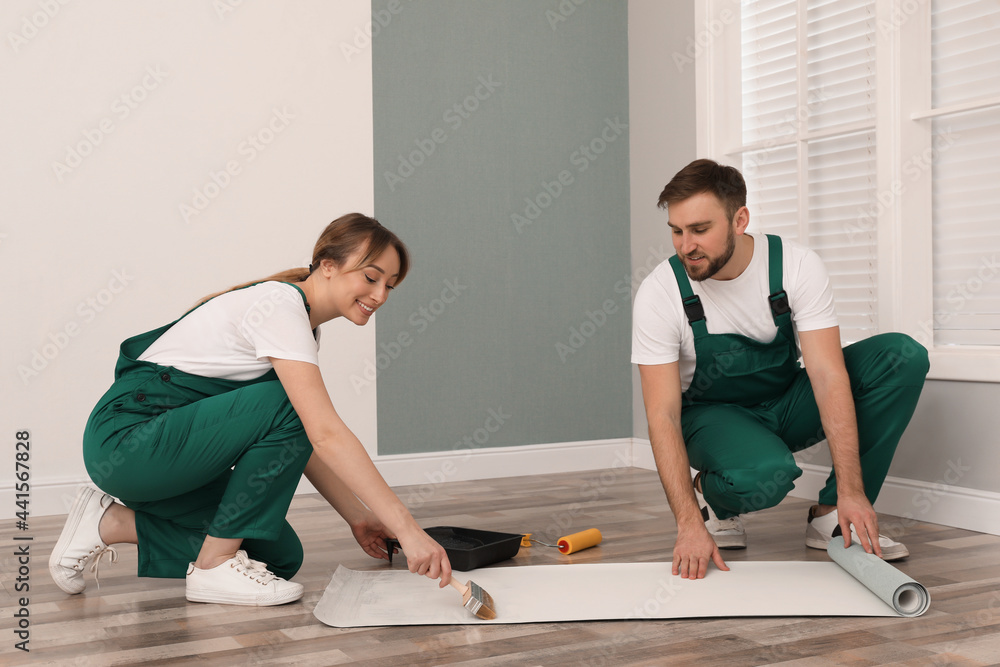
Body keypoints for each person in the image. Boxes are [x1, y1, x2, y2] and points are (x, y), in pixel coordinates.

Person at [49, 213, 452, 606]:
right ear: (328, 266)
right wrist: (409, 530)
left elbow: (294, 440)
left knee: (277, 558)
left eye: (390, 285)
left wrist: (358, 517)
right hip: (128, 444)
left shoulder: (302, 328)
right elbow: (322, 432)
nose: (380, 295)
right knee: (289, 407)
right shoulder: (279, 307)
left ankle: (109, 524)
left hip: (167, 457)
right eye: (371, 277)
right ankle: (214, 565)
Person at [632, 159, 929, 580]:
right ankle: (714, 500)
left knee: (901, 356)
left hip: (785, 401)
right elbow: (661, 413)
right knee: (765, 475)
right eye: (677, 231)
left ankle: (831, 515)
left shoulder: (795, 265)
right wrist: (688, 524)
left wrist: (852, 490)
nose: (686, 246)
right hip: (711, 418)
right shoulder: (660, 293)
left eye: (700, 229)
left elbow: (827, 375)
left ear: (740, 220)